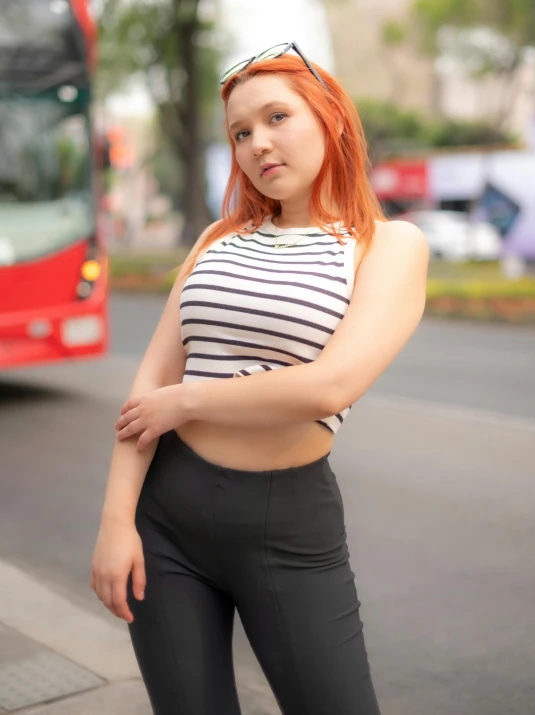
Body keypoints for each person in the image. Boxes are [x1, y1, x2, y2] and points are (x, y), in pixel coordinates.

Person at [90, 42, 428, 715]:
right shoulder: (217, 238)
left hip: (289, 527)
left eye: (277, 118)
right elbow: (145, 391)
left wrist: (187, 399)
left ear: (330, 117)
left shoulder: (386, 246)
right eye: (241, 132)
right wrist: (115, 520)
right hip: (168, 518)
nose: (257, 144)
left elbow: (328, 387)